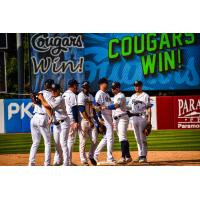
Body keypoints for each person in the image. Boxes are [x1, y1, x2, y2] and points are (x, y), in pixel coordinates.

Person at [38, 84, 70, 166]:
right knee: (57, 144)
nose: (53, 91)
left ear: (58, 90)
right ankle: (59, 160)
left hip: (64, 123)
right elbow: (52, 110)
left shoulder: (60, 99)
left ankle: (66, 163)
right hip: (56, 124)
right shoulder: (54, 98)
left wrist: (41, 98)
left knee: (63, 142)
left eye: (55, 90)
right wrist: (51, 117)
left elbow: (47, 106)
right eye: (52, 90)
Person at [102, 82, 132, 164]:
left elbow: (116, 106)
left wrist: (106, 107)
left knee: (122, 137)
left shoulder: (121, 95)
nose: (112, 89)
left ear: (118, 88)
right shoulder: (115, 96)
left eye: (114, 88)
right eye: (112, 88)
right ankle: (128, 156)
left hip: (122, 118)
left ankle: (123, 157)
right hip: (117, 119)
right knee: (122, 137)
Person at [28, 79, 54, 166]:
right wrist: (51, 117)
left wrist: (33, 97)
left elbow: (35, 101)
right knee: (47, 142)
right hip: (42, 117)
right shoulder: (50, 95)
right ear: (51, 85)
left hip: (34, 118)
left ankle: (31, 162)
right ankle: (47, 164)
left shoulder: (40, 92)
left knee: (35, 142)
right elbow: (48, 106)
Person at [128, 80, 151, 163]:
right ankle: (140, 154)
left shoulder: (145, 95)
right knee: (137, 138)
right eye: (135, 86)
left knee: (142, 137)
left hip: (142, 117)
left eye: (138, 85)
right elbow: (129, 107)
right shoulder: (133, 96)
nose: (137, 87)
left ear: (141, 86)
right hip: (134, 118)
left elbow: (148, 108)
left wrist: (149, 120)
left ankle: (144, 156)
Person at [93, 78, 115, 164]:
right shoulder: (100, 93)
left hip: (108, 116)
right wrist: (99, 117)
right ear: (101, 84)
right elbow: (95, 105)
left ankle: (95, 155)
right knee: (110, 137)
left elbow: (108, 105)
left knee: (107, 137)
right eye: (106, 83)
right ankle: (109, 158)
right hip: (104, 116)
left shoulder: (106, 94)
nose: (107, 84)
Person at [77, 81, 98, 166]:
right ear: (82, 88)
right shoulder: (80, 96)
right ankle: (83, 160)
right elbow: (82, 110)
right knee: (83, 141)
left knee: (95, 140)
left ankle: (91, 155)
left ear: (89, 87)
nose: (85, 88)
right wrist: (89, 121)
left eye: (86, 87)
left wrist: (97, 121)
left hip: (91, 119)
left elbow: (94, 109)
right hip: (83, 120)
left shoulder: (91, 96)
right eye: (84, 87)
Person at [62, 79, 79, 165]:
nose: (77, 86)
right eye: (76, 85)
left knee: (64, 141)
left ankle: (65, 160)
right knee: (70, 141)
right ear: (73, 85)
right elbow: (74, 109)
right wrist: (75, 121)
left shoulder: (64, 94)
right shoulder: (72, 95)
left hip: (64, 118)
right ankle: (68, 161)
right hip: (71, 119)